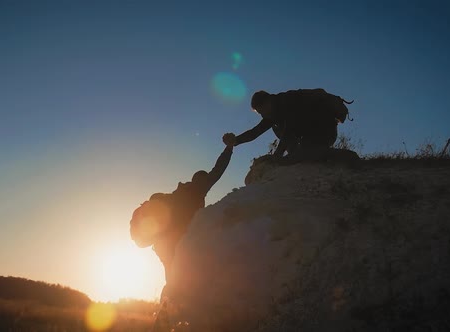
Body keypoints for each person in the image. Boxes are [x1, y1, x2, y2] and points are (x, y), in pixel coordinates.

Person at [130, 135, 234, 302]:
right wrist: (229, 149)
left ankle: (168, 313)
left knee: (172, 281)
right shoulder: (197, 190)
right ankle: (179, 312)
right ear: (201, 180)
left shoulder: (176, 194)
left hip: (162, 244)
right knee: (185, 279)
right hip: (177, 241)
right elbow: (217, 170)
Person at [224, 88, 353, 157]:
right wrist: (235, 141)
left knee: (307, 155)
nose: (262, 115)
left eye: (260, 110)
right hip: (311, 134)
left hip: (324, 131)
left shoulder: (288, 101)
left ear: (267, 102)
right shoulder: (273, 113)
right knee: (297, 152)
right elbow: (255, 132)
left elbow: (289, 129)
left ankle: (345, 157)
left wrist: (277, 156)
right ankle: (302, 153)